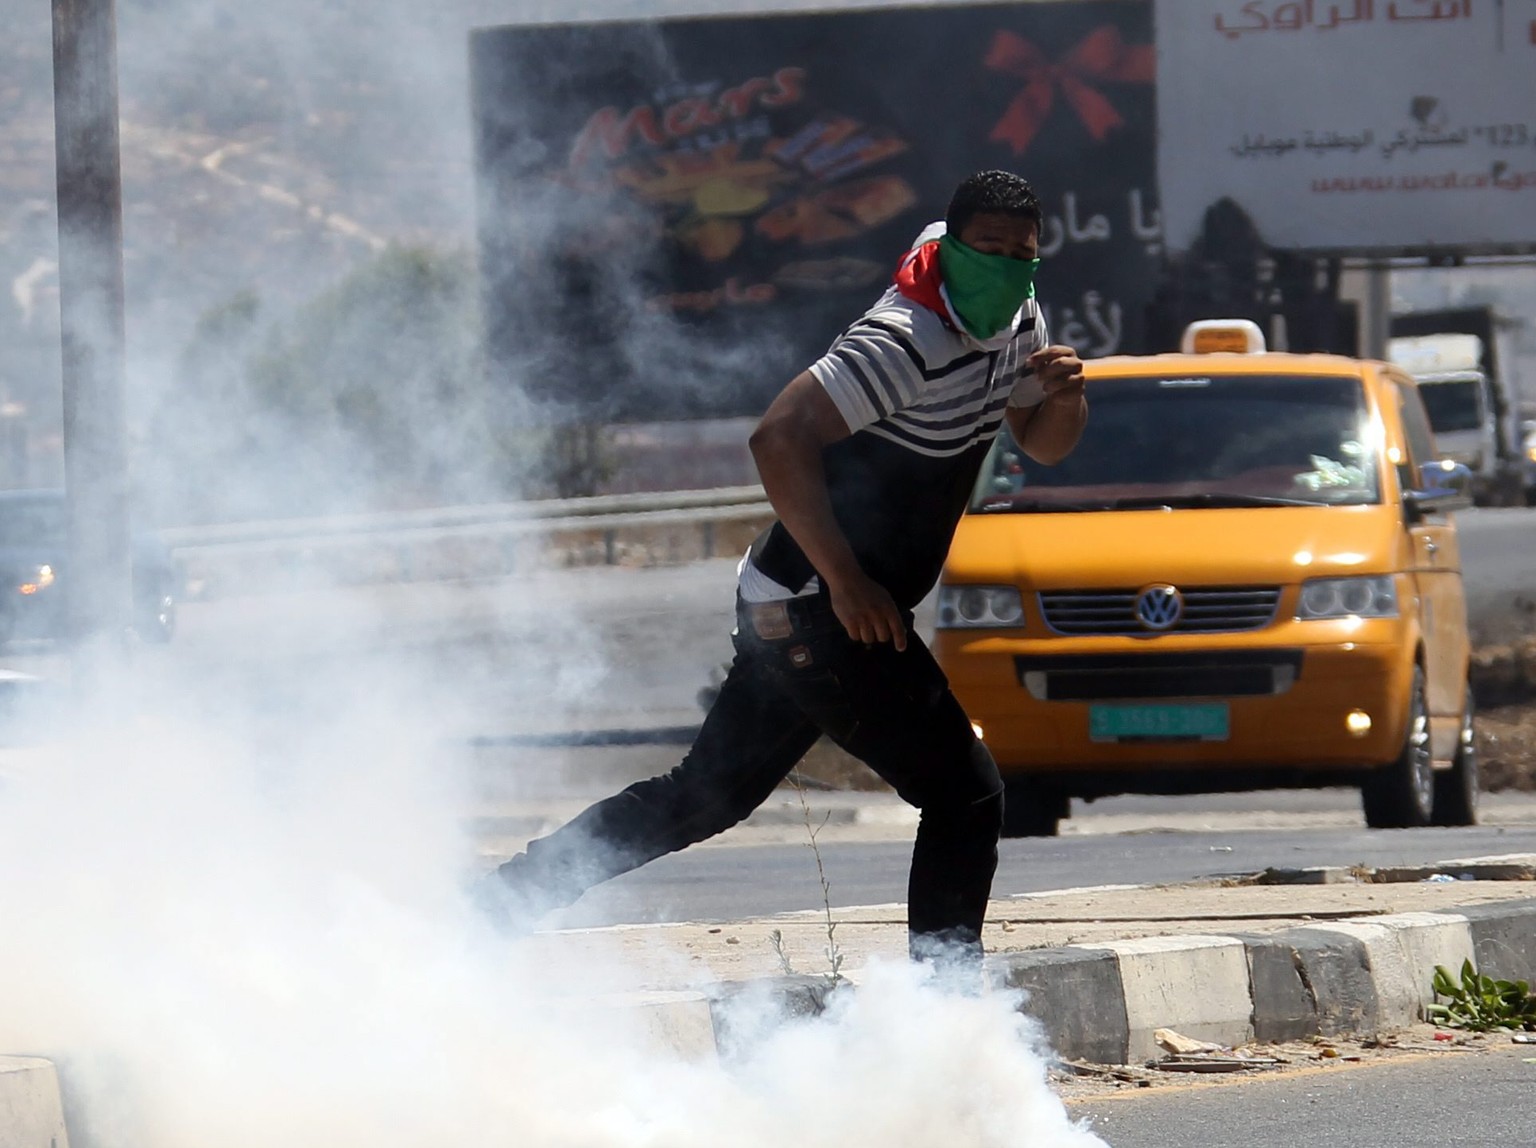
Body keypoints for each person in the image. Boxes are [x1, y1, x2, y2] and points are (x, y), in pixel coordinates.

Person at [480, 169, 1087, 974]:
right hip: (818, 607)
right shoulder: (903, 340)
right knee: (965, 795)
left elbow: (1041, 442)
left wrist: (1064, 397)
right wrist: (844, 579)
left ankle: (496, 906)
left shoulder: (1014, 317)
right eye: (989, 249)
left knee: (706, 796)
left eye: (1023, 254)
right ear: (950, 244)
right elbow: (778, 436)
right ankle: (944, 1006)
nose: (1007, 267)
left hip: (801, 608)